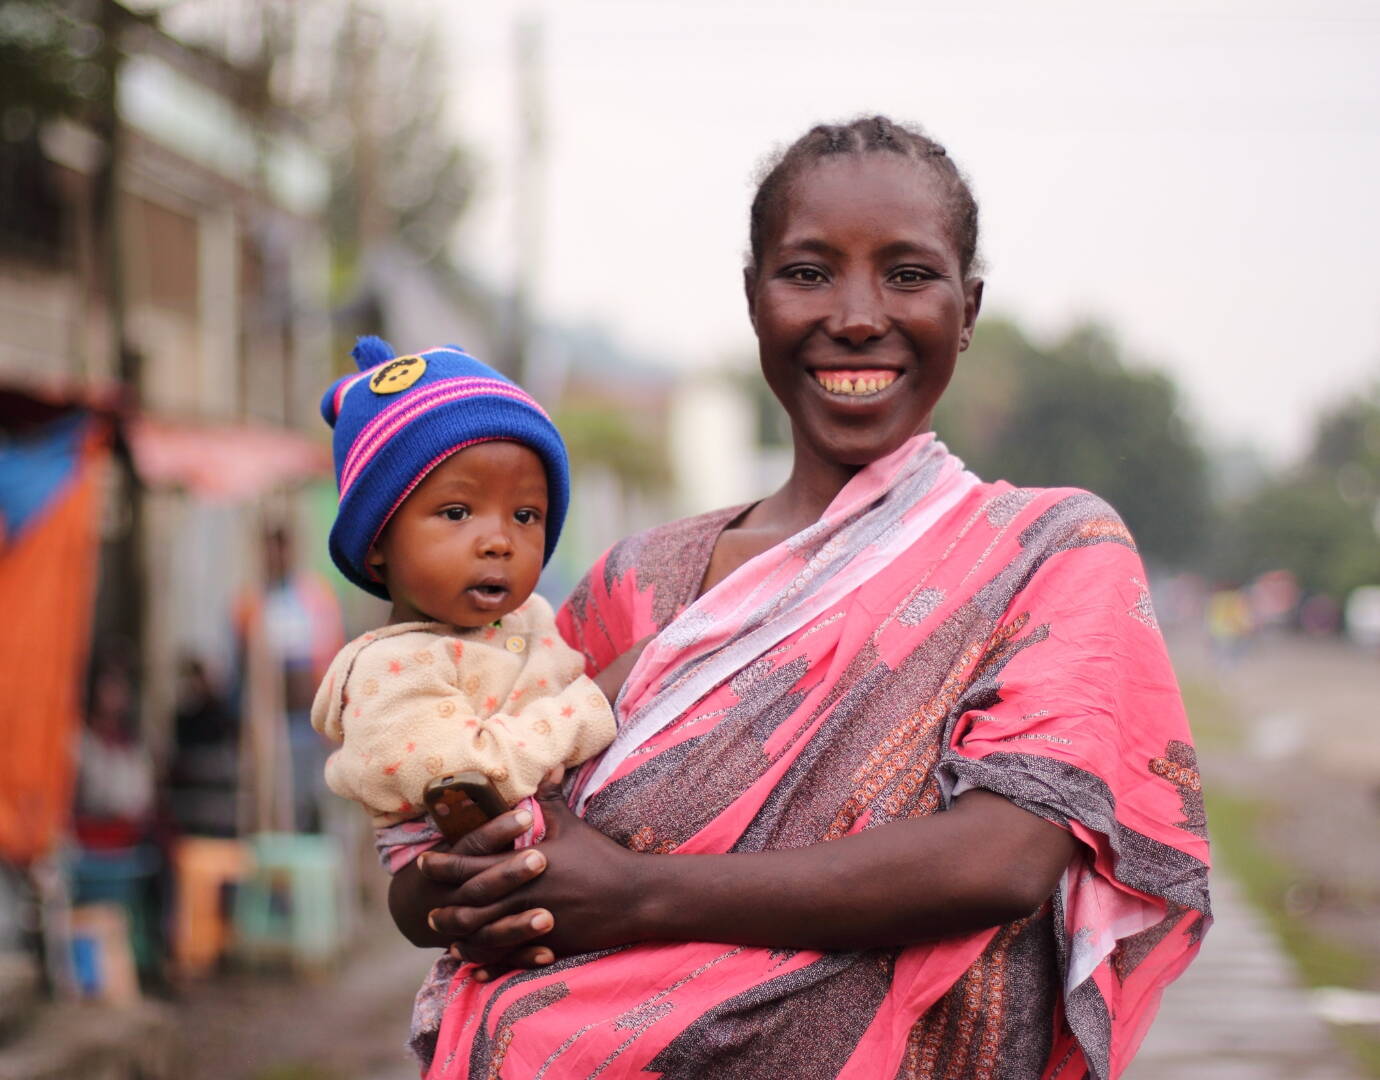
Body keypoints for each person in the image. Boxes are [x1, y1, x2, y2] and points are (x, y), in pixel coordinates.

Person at [386, 116, 1212, 1079]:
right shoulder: (634, 584)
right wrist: (470, 881)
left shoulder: (1048, 552)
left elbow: (1001, 858)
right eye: (809, 271)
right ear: (754, 300)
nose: (858, 314)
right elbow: (438, 865)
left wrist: (637, 894)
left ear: (969, 307)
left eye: (908, 274)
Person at [311, 338, 616, 836]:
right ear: (375, 542)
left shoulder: (533, 618)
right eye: (456, 513)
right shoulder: (388, 672)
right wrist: (599, 699)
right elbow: (473, 779)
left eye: (525, 516)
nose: (499, 541)